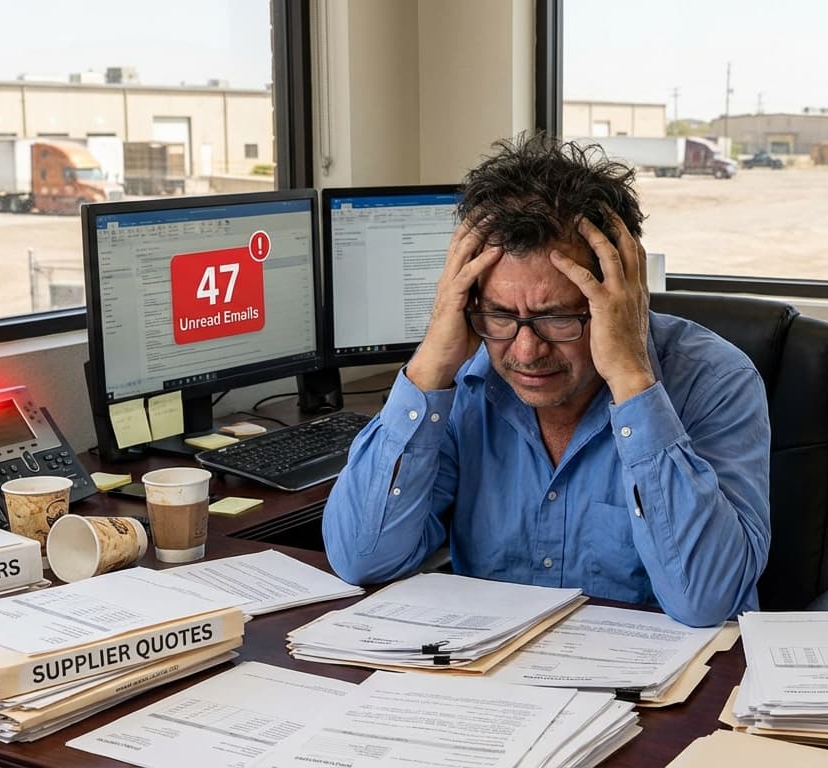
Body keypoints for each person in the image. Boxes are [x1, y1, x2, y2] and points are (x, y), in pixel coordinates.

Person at [321, 133, 770, 627]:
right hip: (488, 667)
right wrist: (429, 368)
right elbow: (363, 559)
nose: (526, 352)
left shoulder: (715, 381)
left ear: (620, 297)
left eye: (557, 318)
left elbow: (705, 601)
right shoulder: (461, 384)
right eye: (499, 315)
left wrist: (631, 379)